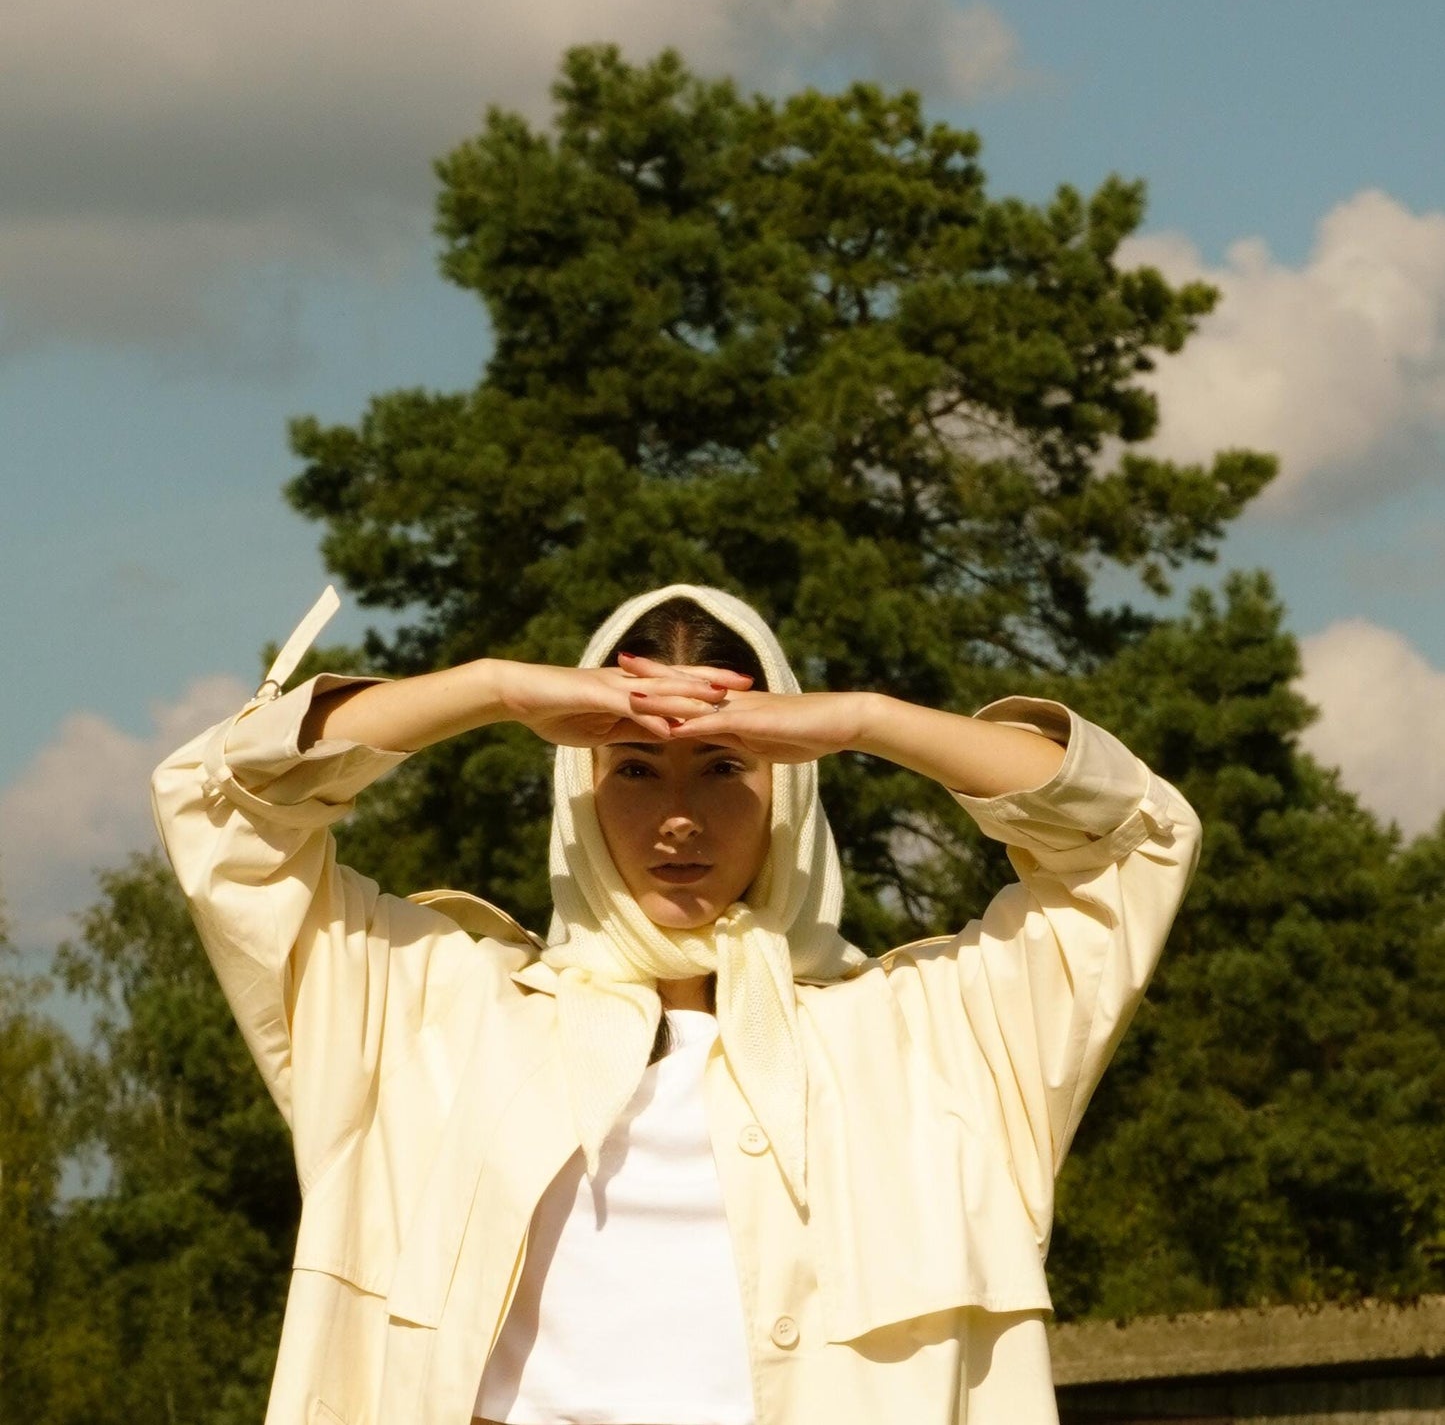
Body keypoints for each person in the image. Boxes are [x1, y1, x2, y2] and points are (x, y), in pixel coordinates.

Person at [150, 580, 1200, 1425]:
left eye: (725, 767)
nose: (679, 821)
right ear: (578, 784)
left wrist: (863, 721)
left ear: (787, 784)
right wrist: (494, 689)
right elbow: (222, 806)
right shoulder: (421, 1011)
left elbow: (1130, 843)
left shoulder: (939, 1042)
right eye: (638, 768)